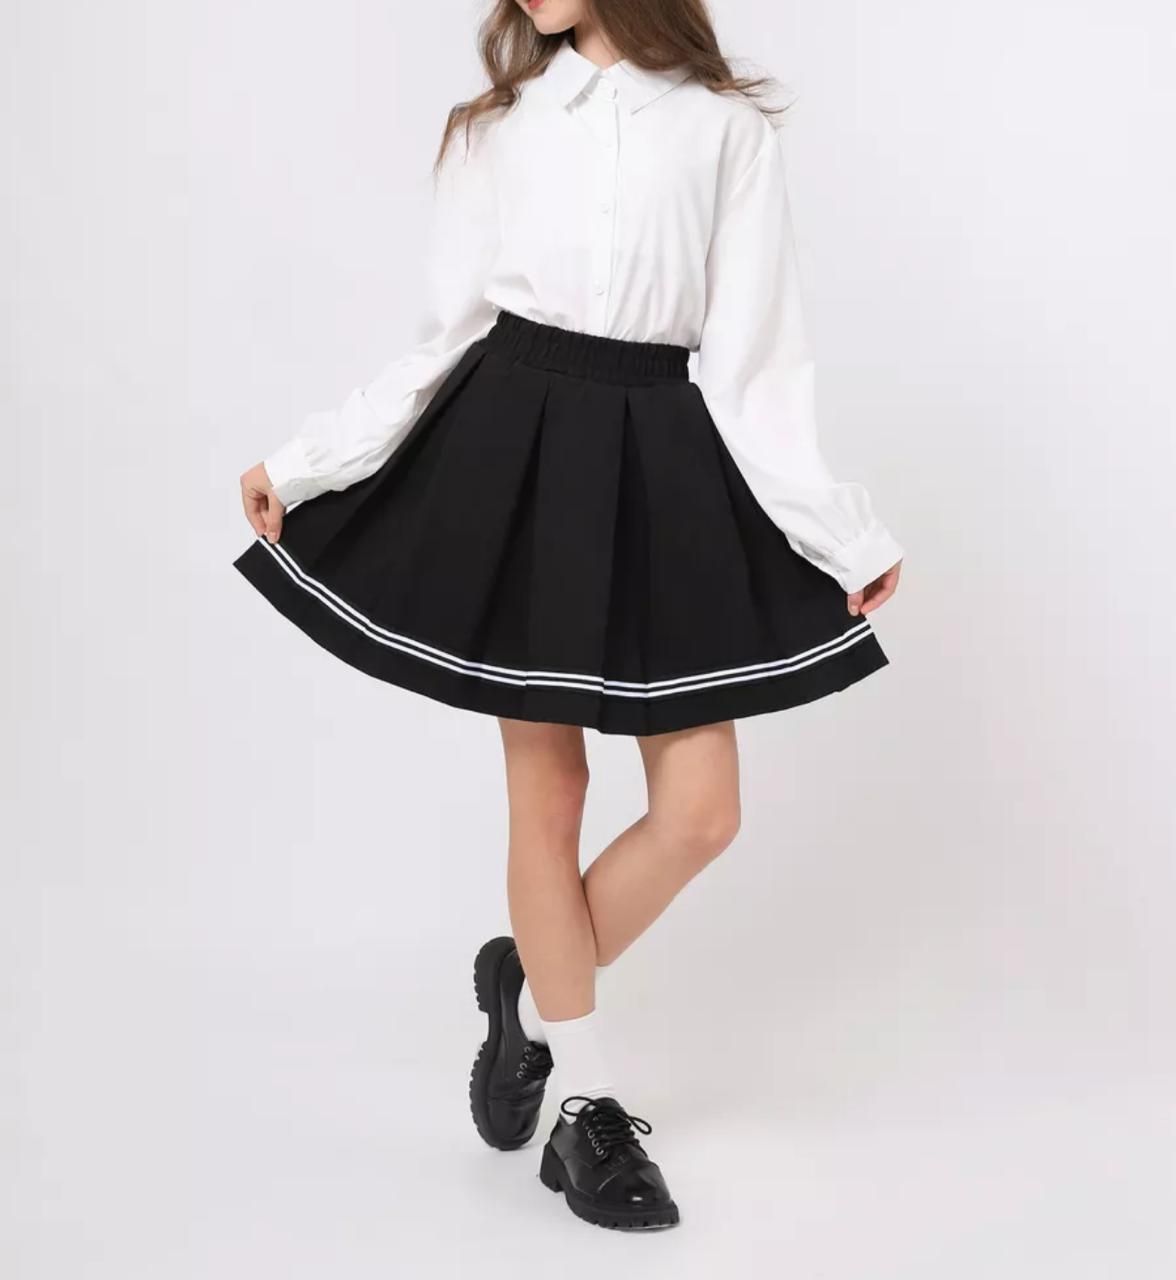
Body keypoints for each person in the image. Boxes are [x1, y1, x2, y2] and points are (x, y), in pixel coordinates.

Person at [233, 0, 904, 1232]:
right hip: (519, 447)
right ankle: (587, 1107)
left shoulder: (724, 132)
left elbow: (758, 363)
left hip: (664, 458)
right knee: (548, 796)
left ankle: (531, 995)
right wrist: (311, 461)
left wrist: (838, 532)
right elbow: (444, 337)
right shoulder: (500, 127)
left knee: (702, 813)